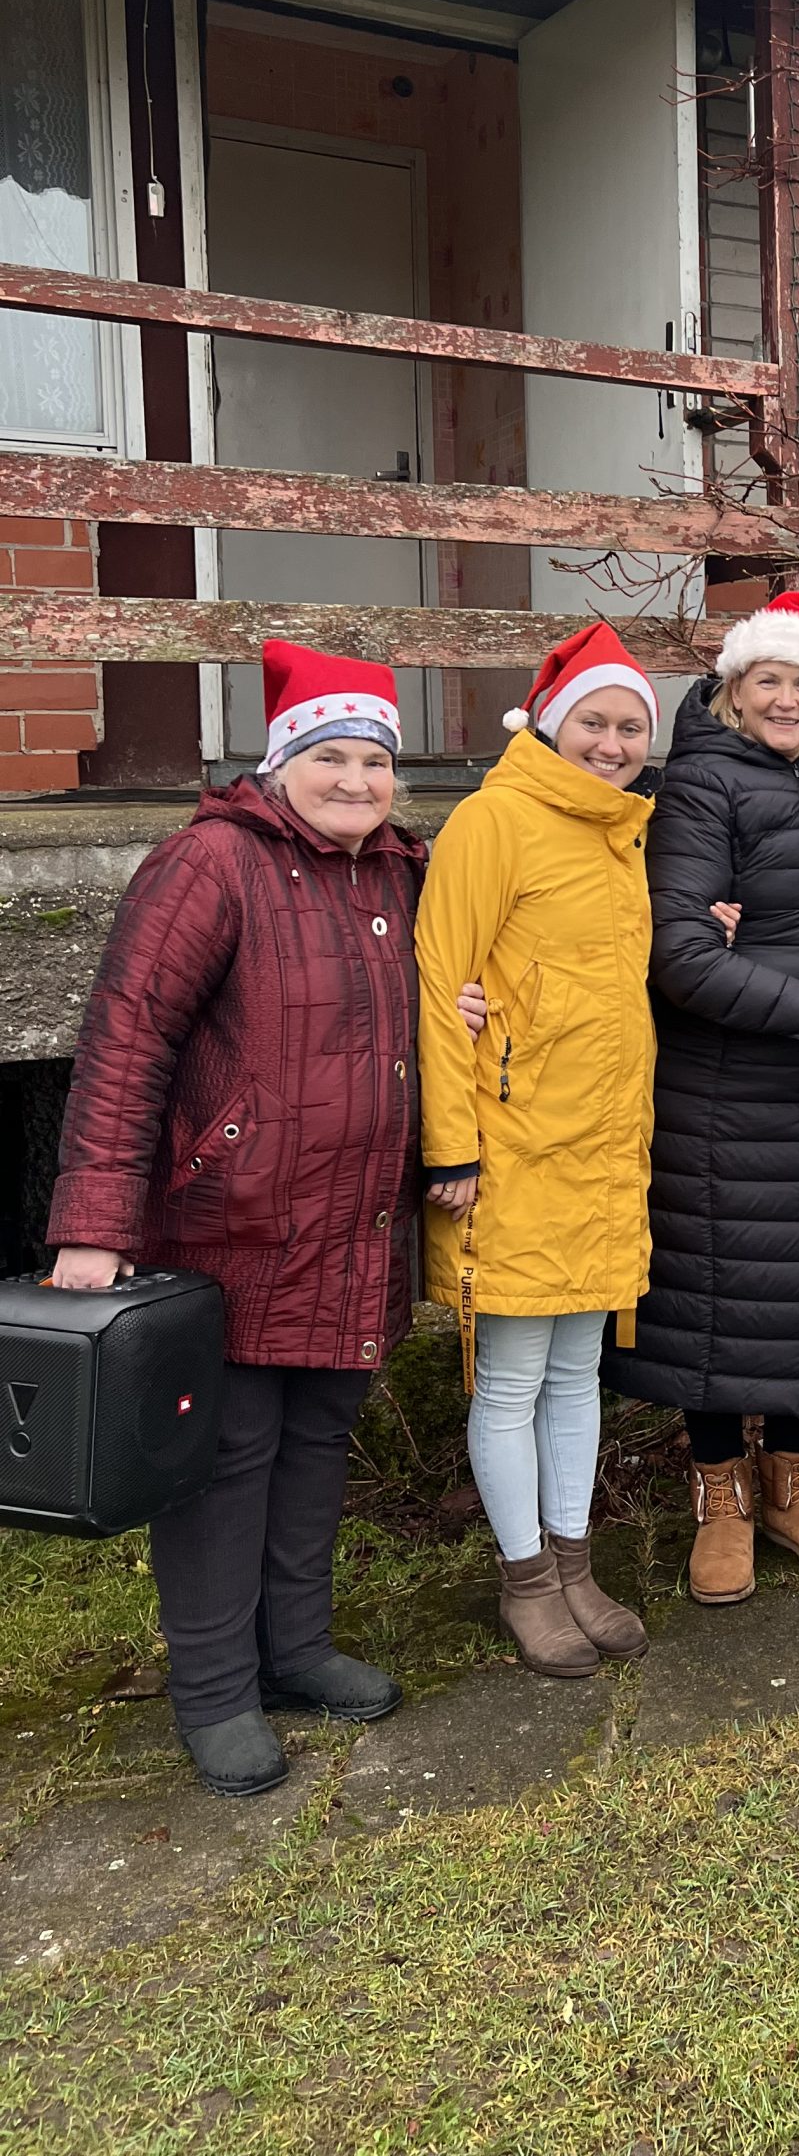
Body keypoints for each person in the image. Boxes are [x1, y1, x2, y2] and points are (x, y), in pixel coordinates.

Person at [45, 641, 424, 1798]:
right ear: (281, 760)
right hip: (232, 1225)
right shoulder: (210, 863)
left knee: (315, 1444)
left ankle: (294, 1647)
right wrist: (94, 1222)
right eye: (332, 757)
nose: (355, 780)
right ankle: (213, 1688)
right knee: (227, 1456)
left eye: (375, 761)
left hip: (352, 1225)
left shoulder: (398, 873)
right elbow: (128, 1040)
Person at [601, 593, 799, 1603]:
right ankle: (718, 1491)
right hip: (720, 1087)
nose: (786, 699)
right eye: (768, 678)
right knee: (717, 1293)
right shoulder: (701, 784)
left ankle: (793, 1480)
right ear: (734, 686)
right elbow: (682, 957)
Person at [414, 621, 660, 1679]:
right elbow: (442, 984)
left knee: (577, 1374)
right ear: (553, 726)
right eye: (593, 722)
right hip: (512, 1152)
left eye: (630, 727)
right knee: (511, 1380)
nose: (612, 744)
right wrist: (451, 1151)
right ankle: (525, 1581)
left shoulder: (624, 834)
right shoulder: (493, 819)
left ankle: (573, 1565)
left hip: (602, 1151)